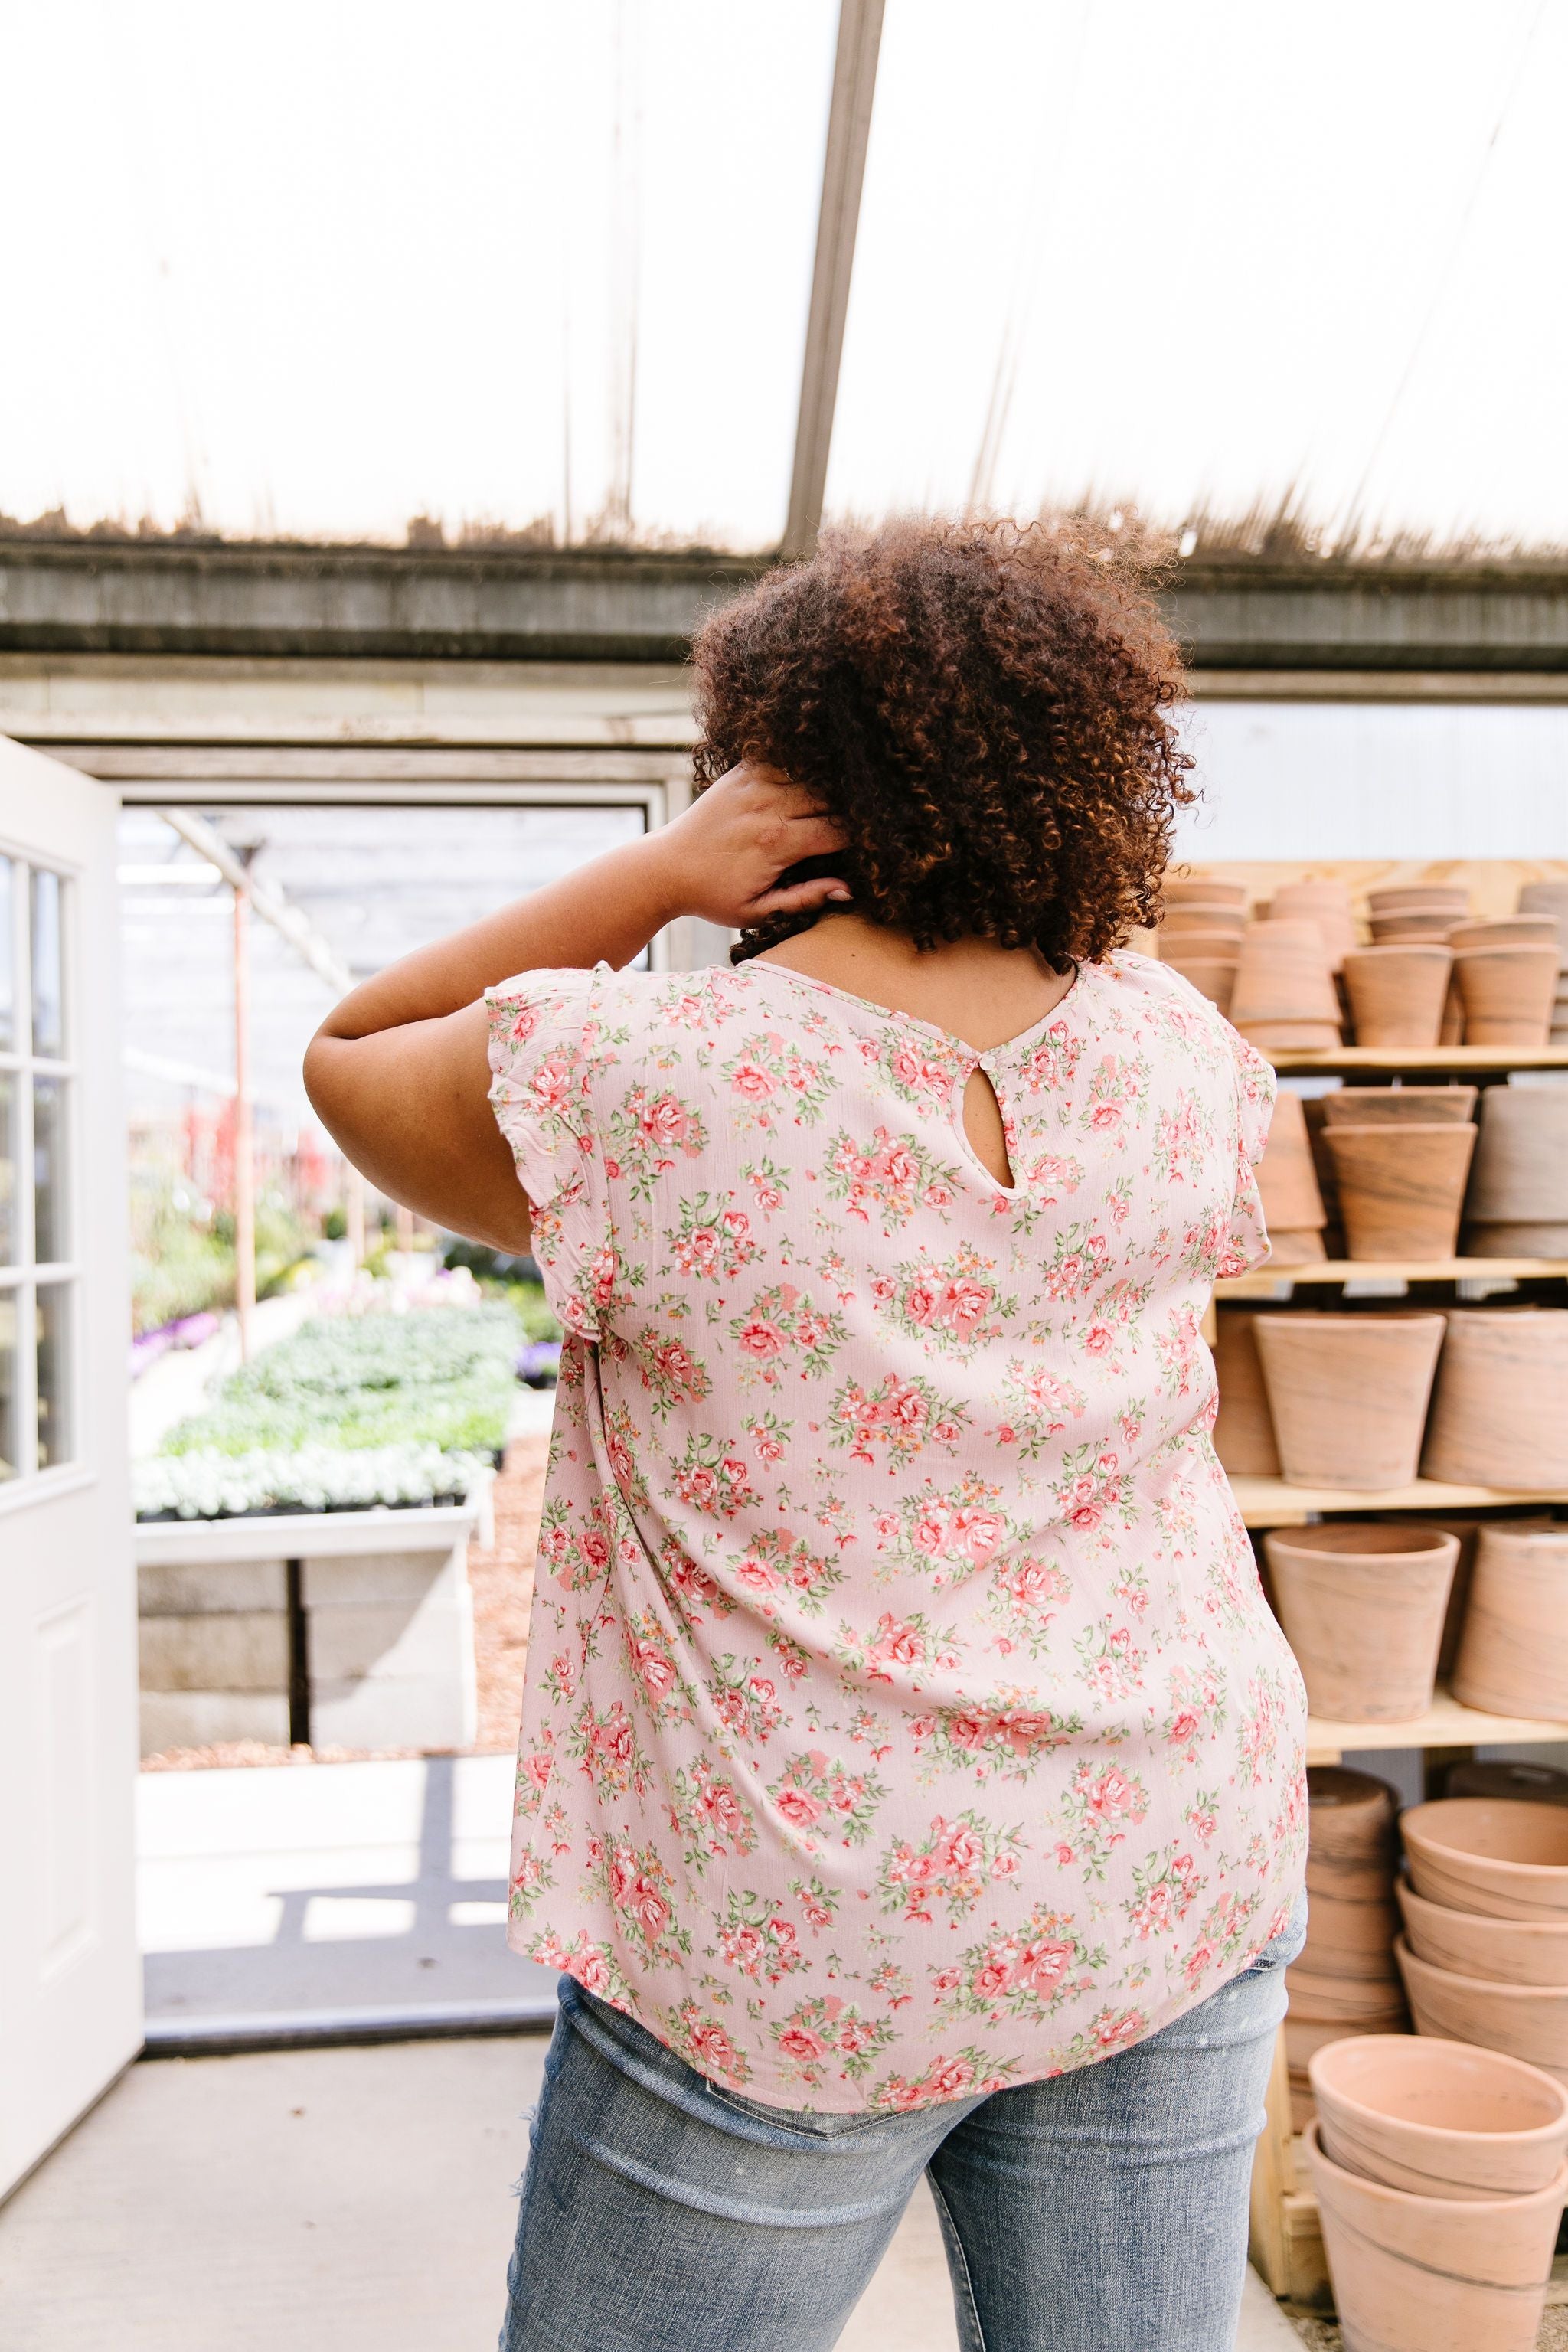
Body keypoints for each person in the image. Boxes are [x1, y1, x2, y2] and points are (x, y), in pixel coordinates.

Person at [305, 517, 1308, 2352]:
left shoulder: (636, 1080)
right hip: (1168, 1848)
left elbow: (356, 1051)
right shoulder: (1182, 1051)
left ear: (766, 775)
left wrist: (659, 878)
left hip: (804, 1923)